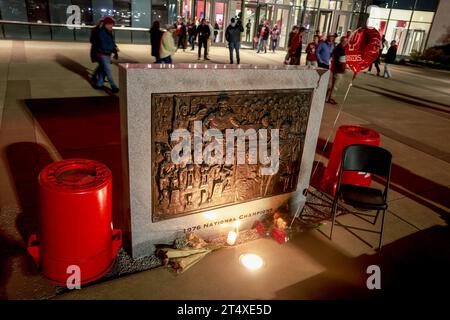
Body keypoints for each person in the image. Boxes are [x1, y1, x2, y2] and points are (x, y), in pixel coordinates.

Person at [91, 16, 119, 93]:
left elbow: (111, 42)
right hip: (102, 54)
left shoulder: (109, 31)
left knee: (102, 69)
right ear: (105, 24)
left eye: (112, 24)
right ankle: (113, 86)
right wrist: (112, 48)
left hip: (107, 54)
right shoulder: (101, 32)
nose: (112, 26)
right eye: (110, 24)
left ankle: (99, 84)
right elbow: (103, 45)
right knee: (107, 71)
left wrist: (115, 47)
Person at [326, 36, 348, 105]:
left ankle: (327, 97)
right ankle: (330, 98)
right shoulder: (339, 49)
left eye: (346, 41)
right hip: (337, 70)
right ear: (342, 41)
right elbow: (337, 61)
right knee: (335, 85)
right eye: (345, 41)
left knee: (332, 85)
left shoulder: (341, 48)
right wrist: (341, 68)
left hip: (337, 69)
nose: (346, 42)